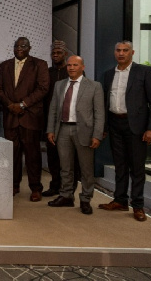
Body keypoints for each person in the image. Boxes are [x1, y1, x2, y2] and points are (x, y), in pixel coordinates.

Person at [99, 41, 151, 222]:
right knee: (120, 165)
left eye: (125, 50)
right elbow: (104, 103)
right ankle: (119, 200)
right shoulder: (109, 74)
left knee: (137, 168)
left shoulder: (144, 72)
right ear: (114, 52)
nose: (121, 53)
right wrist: (103, 127)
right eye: (118, 50)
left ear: (132, 52)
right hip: (115, 124)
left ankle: (138, 205)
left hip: (137, 127)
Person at [46, 56, 105, 215]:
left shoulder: (94, 86)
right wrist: (50, 130)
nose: (71, 67)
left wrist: (97, 135)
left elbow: (99, 113)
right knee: (65, 167)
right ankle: (66, 196)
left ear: (82, 67)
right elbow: (53, 109)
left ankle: (85, 199)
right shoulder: (59, 85)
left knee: (86, 169)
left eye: (75, 65)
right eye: (69, 65)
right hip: (63, 130)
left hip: (84, 131)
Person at [0, 37, 49, 202]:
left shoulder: (39, 64)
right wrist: (10, 105)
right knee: (12, 154)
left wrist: (23, 104)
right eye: (16, 46)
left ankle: (35, 187)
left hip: (30, 116)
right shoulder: (4, 66)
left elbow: (43, 88)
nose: (19, 48)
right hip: (11, 116)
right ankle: (13, 185)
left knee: (32, 154)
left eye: (23, 46)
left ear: (29, 48)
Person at [42, 41, 78, 197]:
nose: (55, 55)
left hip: (69, 121)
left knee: (69, 158)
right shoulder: (47, 72)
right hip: (50, 120)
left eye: (58, 53)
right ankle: (55, 185)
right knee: (52, 156)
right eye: (53, 53)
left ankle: (68, 189)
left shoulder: (72, 72)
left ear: (65, 54)